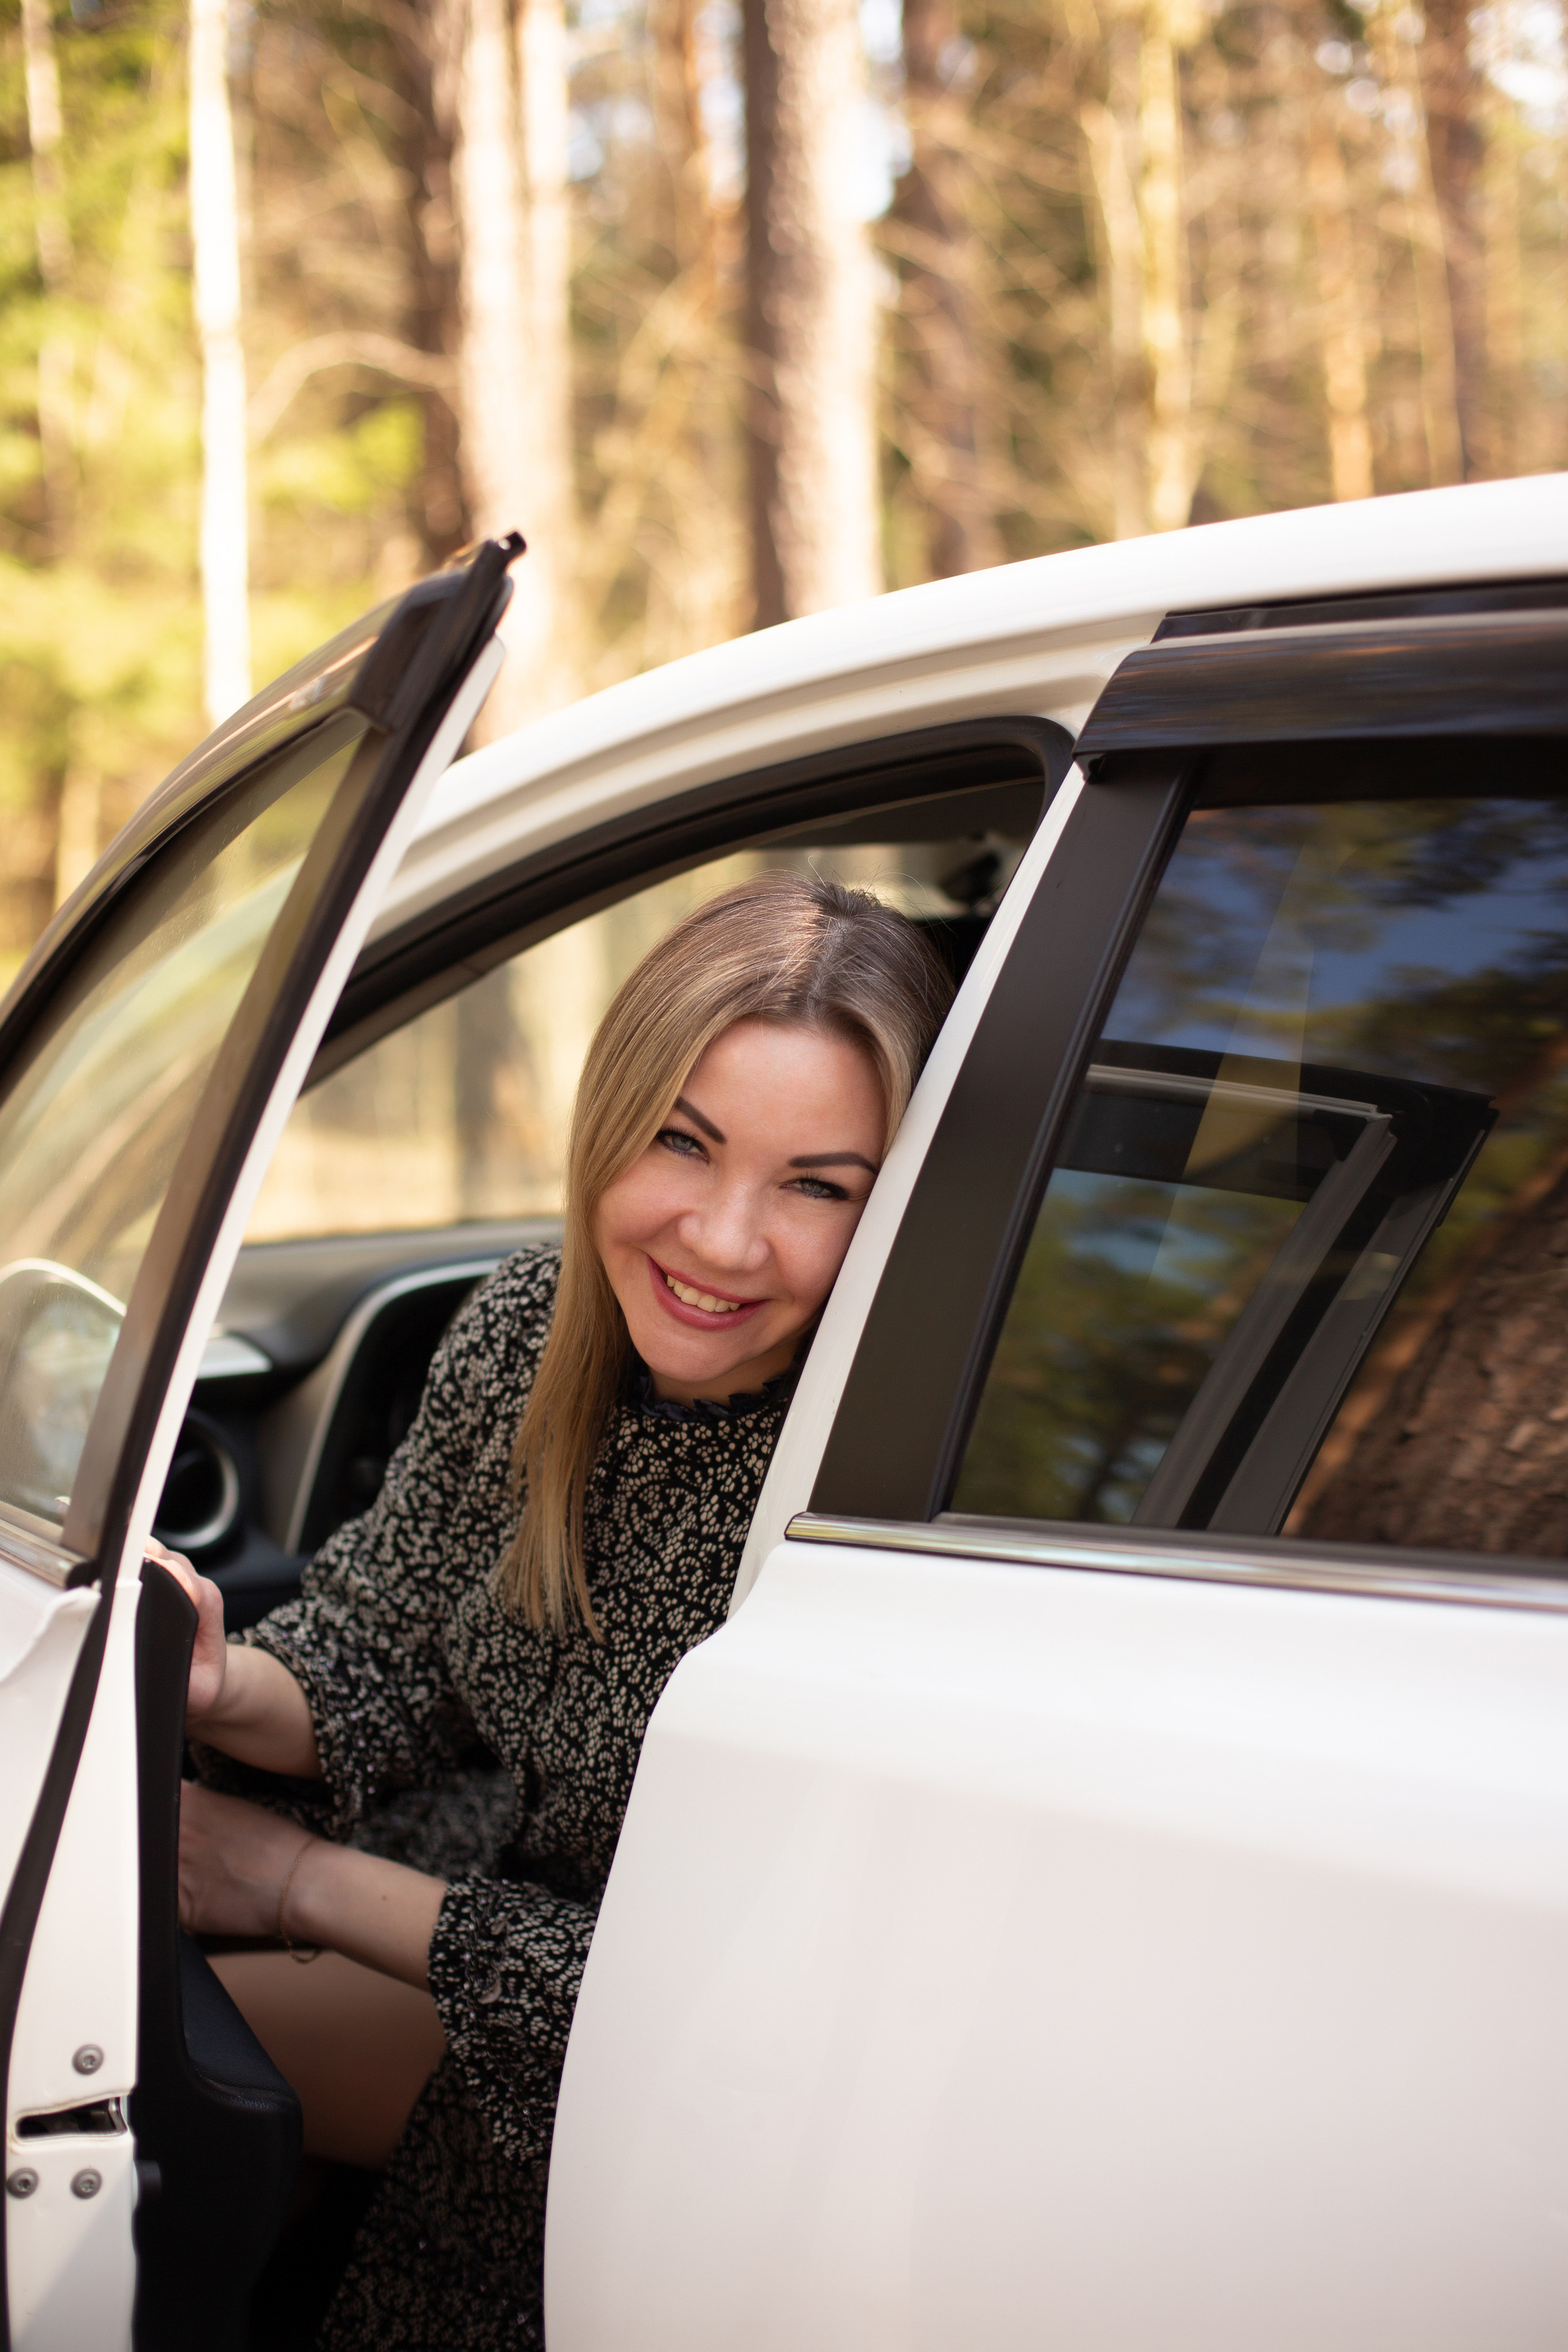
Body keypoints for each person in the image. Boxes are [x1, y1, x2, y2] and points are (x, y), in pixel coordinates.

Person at [167, 872, 952, 2350]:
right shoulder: (534, 1325)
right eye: (683, 1142)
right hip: (488, 1946)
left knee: (106, 2062)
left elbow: (719, 2003)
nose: (722, 1242)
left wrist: (288, 1885)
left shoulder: (876, 1477)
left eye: (816, 1186)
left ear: (896, 1207)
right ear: (606, 1123)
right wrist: (217, 1685)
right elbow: (381, 1645)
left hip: (670, 2088)